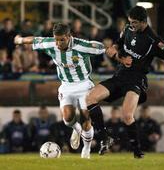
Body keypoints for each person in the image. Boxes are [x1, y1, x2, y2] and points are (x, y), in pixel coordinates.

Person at [14, 23, 131, 158]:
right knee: (68, 118)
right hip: (66, 86)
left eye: (62, 40)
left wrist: (120, 58)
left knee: (85, 118)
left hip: (84, 85)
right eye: (56, 39)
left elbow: (106, 49)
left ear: (69, 37)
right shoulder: (50, 44)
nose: (58, 43)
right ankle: (77, 129)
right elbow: (34, 40)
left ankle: (86, 148)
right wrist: (19, 40)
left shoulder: (82, 46)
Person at [86, 6, 164, 158]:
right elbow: (118, 42)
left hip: (136, 79)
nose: (132, 25)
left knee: (127, 115)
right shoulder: (128, 28)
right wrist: (115, 51)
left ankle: (137, 151)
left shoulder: (154, 41)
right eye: (130, 22)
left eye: (135, 23)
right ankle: (105, 138)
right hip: (120, 76)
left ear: (143, 22)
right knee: (90, 98)